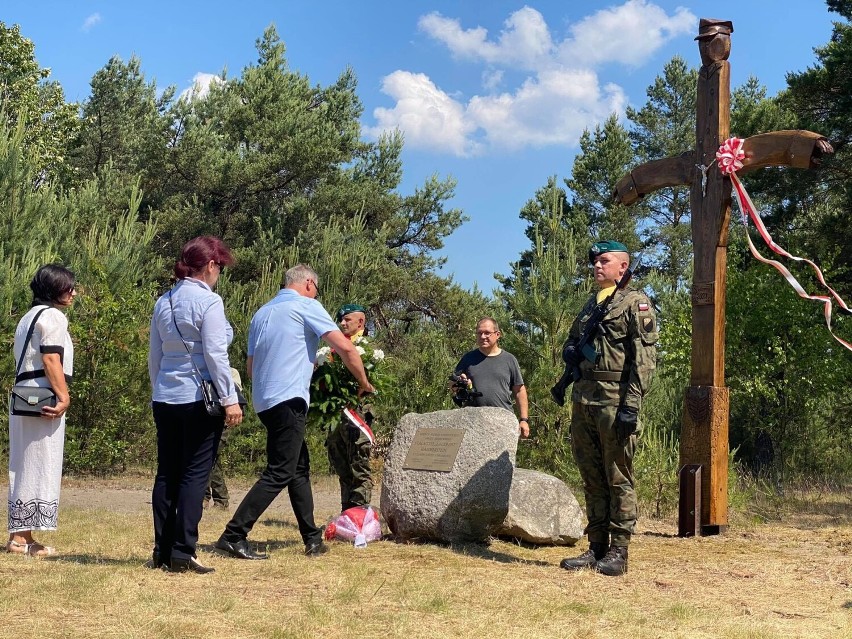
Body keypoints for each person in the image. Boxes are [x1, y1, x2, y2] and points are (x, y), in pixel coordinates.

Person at [216, 264, 374, 560]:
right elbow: (346, 349)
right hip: (289, 399)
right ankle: (233, 534)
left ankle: (312, 539)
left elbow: (251, 368)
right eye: (316, 289)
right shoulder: (306, 305)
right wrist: (364, 382)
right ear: (309, 284)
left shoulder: (261, 313)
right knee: (279, 472)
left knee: (297, 468)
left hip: (265, 401)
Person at [559, 240, 657, 577]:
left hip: (615, 401)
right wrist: (570, 352)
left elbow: (644, 361)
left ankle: (619, 551)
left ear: (622, 267)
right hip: (584, 399)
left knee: (618, 477)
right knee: (591, 476)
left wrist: (632, 405)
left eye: (605, 261)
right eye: (595, 262)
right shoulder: (590, 305)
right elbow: (572, 341)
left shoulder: (636, 304)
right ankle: (596, 546)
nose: (597, 266)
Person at [148, 236, 243, 574]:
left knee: (167, 473)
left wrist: (156, 391)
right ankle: (183, 551)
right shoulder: (210, 302)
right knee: (194, 474)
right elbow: (217, 355)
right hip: (199, 398)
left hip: (166, 396)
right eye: (220, 267)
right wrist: (229, 399)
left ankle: (162, 549)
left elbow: (155, 357)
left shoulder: (165, 301)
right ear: (211, 266)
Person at [7, 264, 76, 557]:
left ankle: (20, 535)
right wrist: (64, 396)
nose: (73, 292)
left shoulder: (28, 317)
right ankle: (22, 540)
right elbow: (50, 359)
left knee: (23, 464)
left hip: (23, 396)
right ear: (53, 289)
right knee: (39, 463)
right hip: (44, 398)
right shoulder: (53, 316)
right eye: (67, 287)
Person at [325, 303, 374, 511]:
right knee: (340, 461)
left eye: (347, 320)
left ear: (360, 322)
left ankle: (360, 514)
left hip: (358, 413)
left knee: (358, 463)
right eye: (341, 320)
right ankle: (346, 512)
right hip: (337, 413)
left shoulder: (369, 349)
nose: (342, 323)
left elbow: (372, 382)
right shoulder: (334, 348)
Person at [452, 317, 530, 438]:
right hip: (473, 421)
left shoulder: (509, 359)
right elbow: (452, 384)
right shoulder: (468, 358)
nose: (483, 336)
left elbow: (519, 390)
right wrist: (460, 384)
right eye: (479, 333)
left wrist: (524, 420)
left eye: (487, 333)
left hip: (502, 421)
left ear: (497, 334)